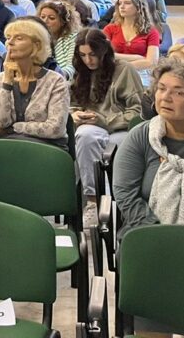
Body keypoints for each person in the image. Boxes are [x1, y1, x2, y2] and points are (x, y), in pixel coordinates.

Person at [70, 28, 144, 227]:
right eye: (83, 55)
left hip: (121, 126)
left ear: (104, 51)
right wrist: (74, 114)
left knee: (116, 146)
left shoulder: (124, 70)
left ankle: (123, 204)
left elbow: (137, 112)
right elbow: (72, 104)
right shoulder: (81, 71)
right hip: (92, 125)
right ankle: (92, 201)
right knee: (85, 136)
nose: (88, 60)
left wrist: (105, 120)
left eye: (93, 54)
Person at [113, 58, 184, 242]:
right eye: (161, 88)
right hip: (146, 233)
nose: (165, 97)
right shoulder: (141, 137)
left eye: (179, 92)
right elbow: (126, 195)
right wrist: (158, 233)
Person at [0, 20, 70, 148]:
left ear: (36, 45)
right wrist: (7, 82)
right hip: (8, 147)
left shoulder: (56, 81)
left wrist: (13, 128)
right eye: (8, 38)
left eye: (19, 38)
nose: (10, 42)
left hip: (47, 149)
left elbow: (55, 129)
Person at [103, 0, 161, 70]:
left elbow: (152, 62)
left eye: (127, 3)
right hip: (113, 72)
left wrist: (121, 64)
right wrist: (137, 57)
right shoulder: (110, 29)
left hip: (141, 72)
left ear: (138, 7)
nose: (122, 7)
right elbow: (103, 55)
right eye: (120, 3)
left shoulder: (151, 31)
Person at [38, 0, 80, 80]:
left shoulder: (74, 38)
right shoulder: (35, 38)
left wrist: (56, 76)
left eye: (51, 18)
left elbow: (72, 66)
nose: (45, 21)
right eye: (42, 17)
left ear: (63, 21)